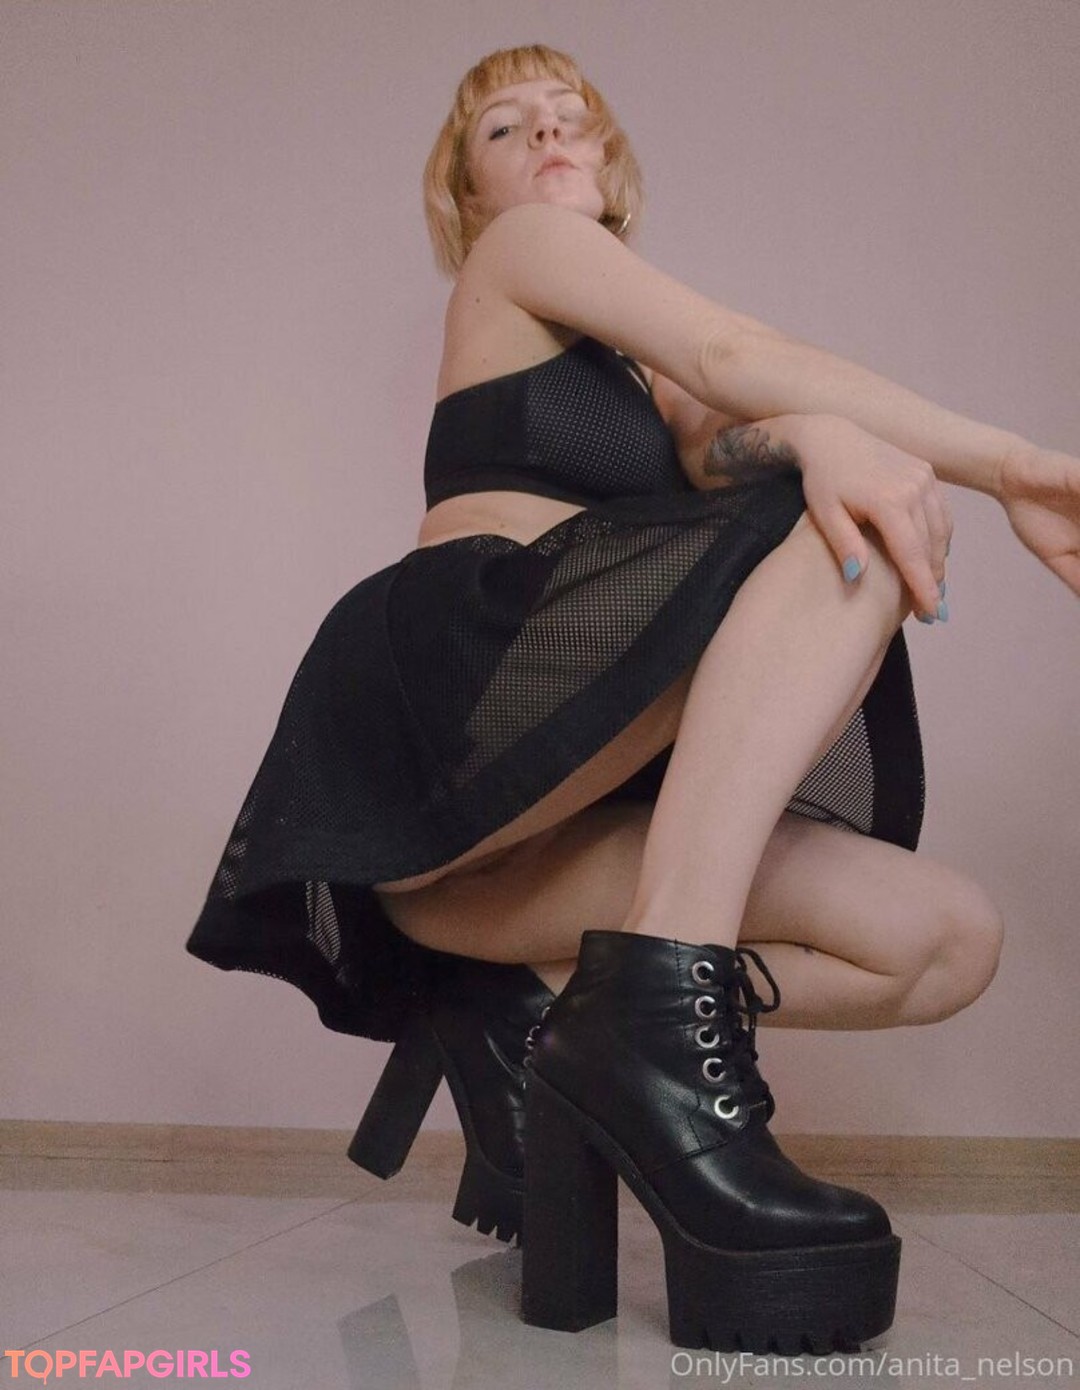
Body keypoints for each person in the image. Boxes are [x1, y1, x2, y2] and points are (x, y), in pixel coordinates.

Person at [186, 44, 1080, 1354]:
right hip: (449, 714)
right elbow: (735, 348)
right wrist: (1011, 466)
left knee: (945, 937)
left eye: (573, 119)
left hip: (496, 880)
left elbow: (733, 415)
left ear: (611, 167)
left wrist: (819, 432)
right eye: (508, 129)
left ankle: (561, 1018)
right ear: (470, 196)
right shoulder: (519, 255)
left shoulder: (647, 383)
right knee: (856, 525)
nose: (550, 137)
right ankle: (663, 1024)